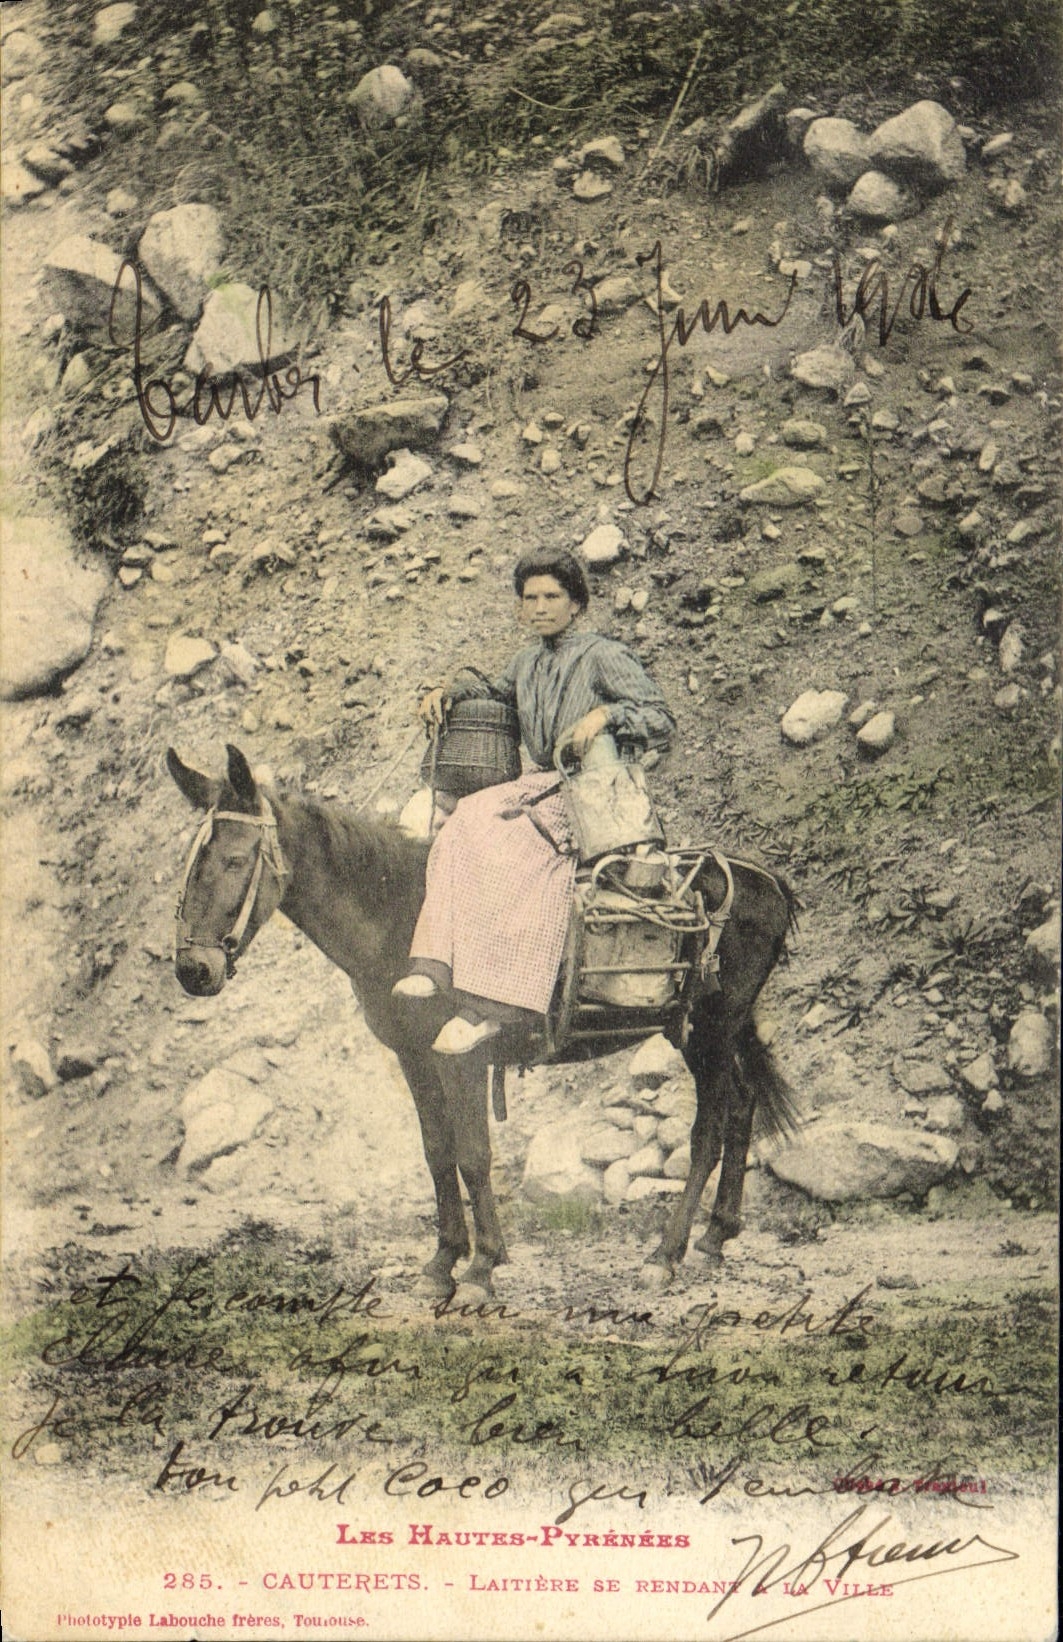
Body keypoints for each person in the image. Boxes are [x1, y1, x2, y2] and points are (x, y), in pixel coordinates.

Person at [393, 550, 675, 1053]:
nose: (540, 607)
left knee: (514, 844)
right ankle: (434, 965)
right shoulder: (526, 662)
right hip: (542, 780)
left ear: (576, 604)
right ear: (520, 608)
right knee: (464, 817)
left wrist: (604, 716)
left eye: (552, 596)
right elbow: (492, 693)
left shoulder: (602, 655)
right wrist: (446, 692)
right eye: (530, 598)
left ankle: (493, 1007)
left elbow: (659, 717)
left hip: (592, 790)